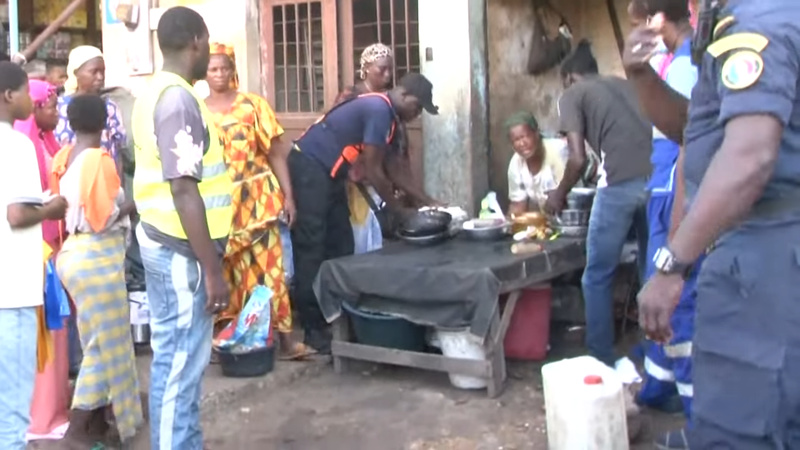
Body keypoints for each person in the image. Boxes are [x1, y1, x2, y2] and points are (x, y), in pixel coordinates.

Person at [627, 0, 800, 447]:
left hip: (765, 259)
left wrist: (670, 266)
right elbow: (700, 132)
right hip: (755, 248)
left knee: (739, 425)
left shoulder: (756, 23)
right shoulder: (735, 22)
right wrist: (642, 76)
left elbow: (750, 155)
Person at [132, 7, 233, 448]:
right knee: (178, 368)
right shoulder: (177, 100)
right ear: (195, 40)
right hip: (182, 253)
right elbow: (184, 190)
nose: (208, 49)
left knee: (181, 365)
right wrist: (212, 270)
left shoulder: (155, 91)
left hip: (169, 244)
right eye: (207, 41)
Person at [290, 72, 439, 353]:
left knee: (341, 243)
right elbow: (374, 169)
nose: (416, 114)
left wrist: (426, 200)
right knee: (312, 246)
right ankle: (314, 329)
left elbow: (393, 166)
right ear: (404, 95)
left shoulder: (390, 119)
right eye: (417, 107)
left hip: (331, 175)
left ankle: (341, 320)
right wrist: (397, 212)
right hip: (310, 168)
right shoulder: (379, 109)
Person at [545, 40, 651, 368]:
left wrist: (559, 194)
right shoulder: (625, 85)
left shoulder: (572, 95)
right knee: (651, 273)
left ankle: (600, 358)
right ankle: (655, 356)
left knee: (596, 275)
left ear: (568, 78)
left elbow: (576, 159)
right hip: (659, 181)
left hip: (618, 184)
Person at [204, 42, 314, 360]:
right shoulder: (197, 109)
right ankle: (223, 340)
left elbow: (276, 154)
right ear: (204, 73)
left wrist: (288, 197)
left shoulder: (253, 106)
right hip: (221, 207)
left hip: (260, 201)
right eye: (213, 68)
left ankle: (285, 341)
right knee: (224, 273)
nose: (220, 73)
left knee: (271, 271)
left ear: (233, 68)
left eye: (225, 67)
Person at [625, 1, 700, 448]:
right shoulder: (672, 63)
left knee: (679, 299)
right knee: (659, 297)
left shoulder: (691, 64)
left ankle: (699, 417)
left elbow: (689, 135)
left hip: (675, 194)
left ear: (660, 19)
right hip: (663, 188)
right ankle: (661, 386)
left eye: (644, 20)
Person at [52, 94, 142, 448]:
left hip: (73, 255)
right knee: (106, 346)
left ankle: (96, 427)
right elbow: (103, 218)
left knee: (98, 341)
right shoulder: (100, 161)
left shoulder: (63, 157)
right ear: (105, 123)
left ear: (71, 123)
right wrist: (136, 204)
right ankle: (77, 429)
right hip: (96, 258)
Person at [0, 61, 68, 450]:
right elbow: (17, 213)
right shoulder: (18, 144)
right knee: (11, 419)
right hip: (11, 295)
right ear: (10, 96)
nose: (31, 98)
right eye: (27, 91)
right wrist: (51, 209)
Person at [55, 46, 126, 161]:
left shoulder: (109, 107)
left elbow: (117, 150)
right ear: (76, 73)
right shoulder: (59, 108)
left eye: (102, 71)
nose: (100, 77)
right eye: (94, 72)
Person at [504, 111, 566, 215]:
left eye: (525, 136)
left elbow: (570, 194)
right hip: (549, 220)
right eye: (516, 140)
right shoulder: (516, 163)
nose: (522, 143)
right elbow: (518, 206)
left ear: (536, 134)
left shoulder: (558, 151)